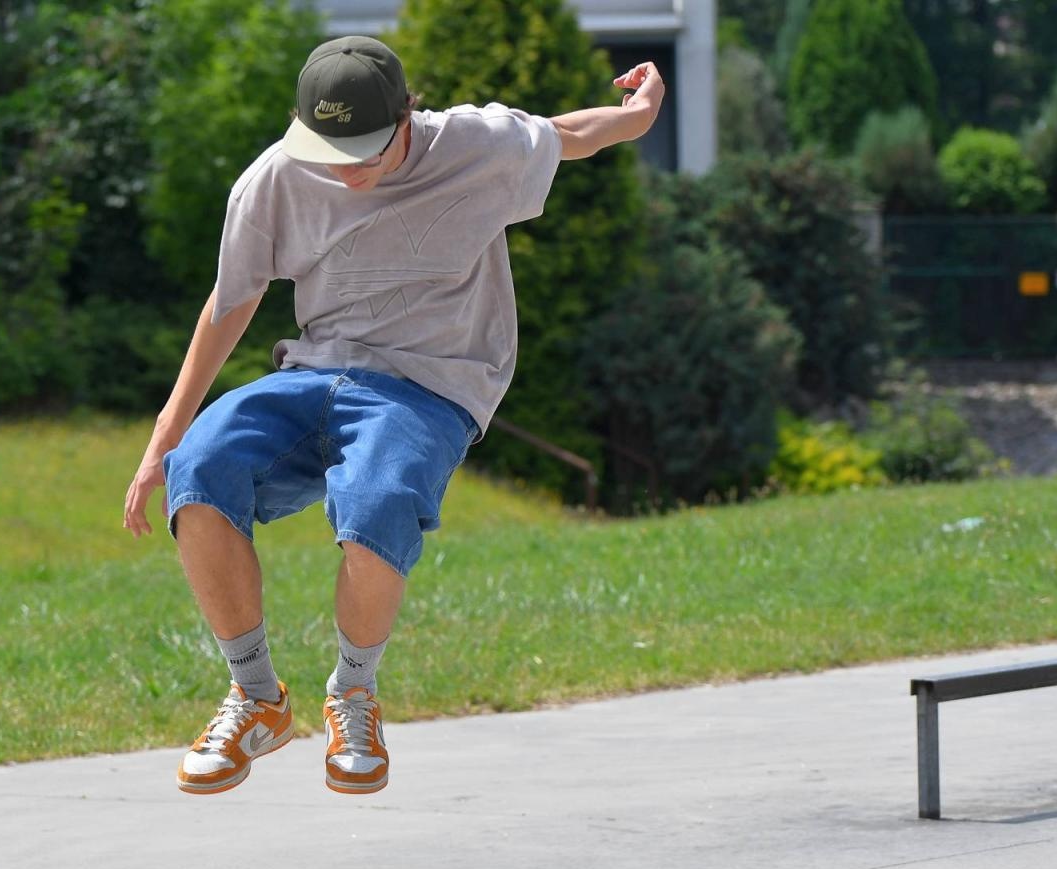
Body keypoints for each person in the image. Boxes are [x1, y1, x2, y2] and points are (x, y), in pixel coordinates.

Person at [123, 35, 664, 795]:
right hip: (316, 368)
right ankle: (255, 696)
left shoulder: (477, 145)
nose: (347, 170)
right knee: (199, 471)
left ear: (409, 116)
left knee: (378, 502)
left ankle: (353, 693)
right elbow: (231, 300)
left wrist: (640, 110)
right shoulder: (274, 179)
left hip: (429, 384)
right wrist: (162, 440)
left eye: (367, 152)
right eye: (329, 150)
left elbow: (575, 134)